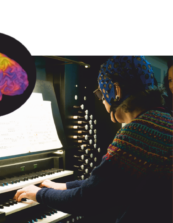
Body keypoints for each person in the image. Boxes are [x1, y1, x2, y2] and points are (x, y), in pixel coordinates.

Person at [13, 55, 173, 223]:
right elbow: (109, 184)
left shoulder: (136, 134)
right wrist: (64, 186)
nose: (102, 100)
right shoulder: (164, 120)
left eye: (101, 93)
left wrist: (38, 194)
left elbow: (87, 201)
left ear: (116, 91)